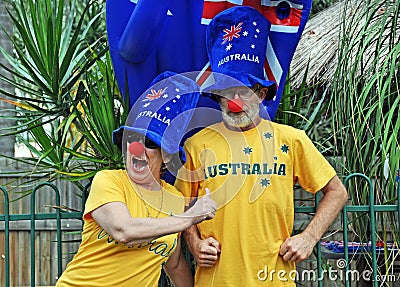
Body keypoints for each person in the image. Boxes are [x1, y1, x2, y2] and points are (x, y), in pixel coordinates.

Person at [174, 7, 349, 286]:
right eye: (227, 93)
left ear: (261, 93)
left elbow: (337, 191)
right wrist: (194, 243)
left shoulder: (291, 140)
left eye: (243, 92)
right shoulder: (197, 145)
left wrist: (309, 237)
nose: (235, 102)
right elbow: (182, 204)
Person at [56, 72, 217, 287]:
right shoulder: (109, 181)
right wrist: (188, 218)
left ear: (167, 156)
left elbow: (175, 264)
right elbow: (123, 230)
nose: (137, 148)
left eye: (149, 142)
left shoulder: (175, 199)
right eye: (132, 139)